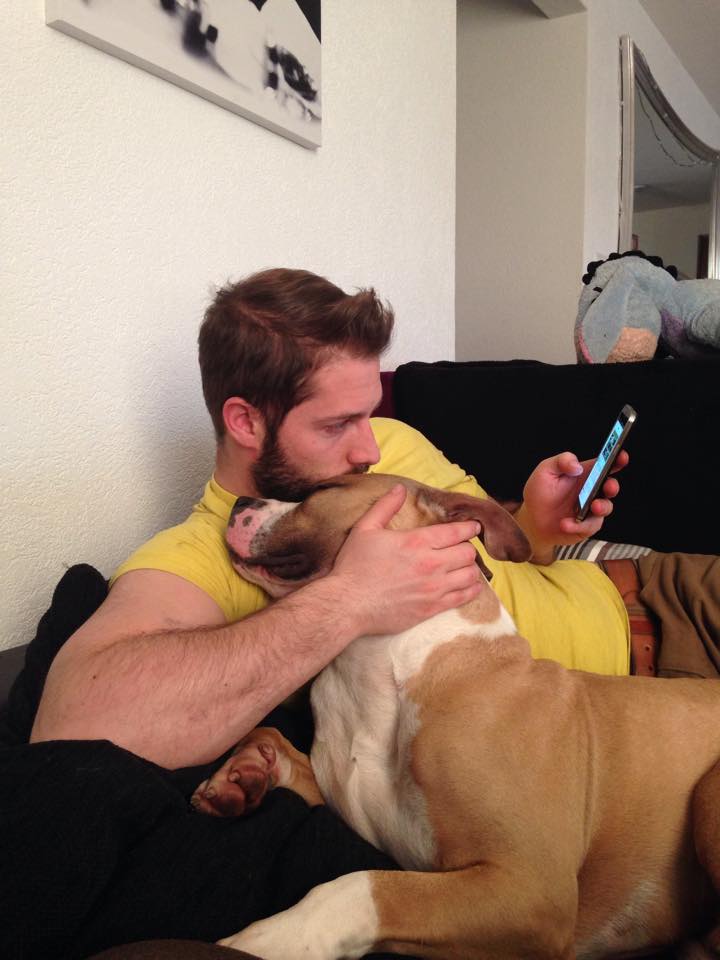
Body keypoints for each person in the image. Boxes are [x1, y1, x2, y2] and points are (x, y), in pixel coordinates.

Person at [30, 267, 630, 770]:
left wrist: (537, 525)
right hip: (610, 717)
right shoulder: (207, 551)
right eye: (337, 424)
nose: (369, 449)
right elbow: (72, 720)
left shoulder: (387, 439)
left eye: (367, 413)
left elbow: (509, 562)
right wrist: (353, 600)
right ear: (245, 422)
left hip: (638, 586)